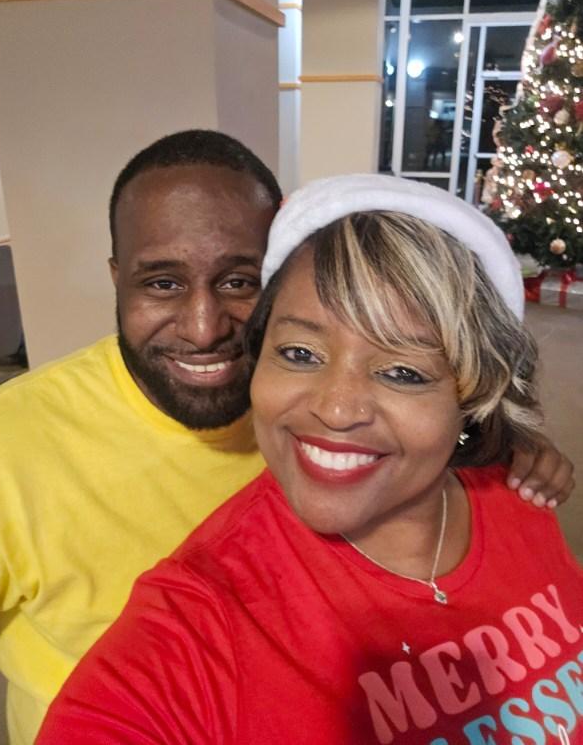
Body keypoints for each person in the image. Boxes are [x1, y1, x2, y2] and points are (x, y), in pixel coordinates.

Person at [36, 174, 583, 745]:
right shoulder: (201, 620)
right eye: (299, 353)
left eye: (402, 371)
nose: (337, 408)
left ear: (473, 394)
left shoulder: (520, 494)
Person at [0, 129, 281, 745]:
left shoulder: (320, 406)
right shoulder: (5, 444)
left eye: (239, 282)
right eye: (163, 283)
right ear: (118, 279)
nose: (203, 330)